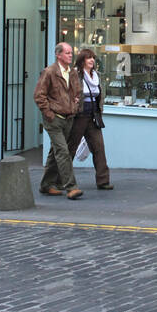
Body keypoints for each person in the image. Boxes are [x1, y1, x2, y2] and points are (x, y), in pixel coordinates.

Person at [34, 42, 84, 199]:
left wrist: (75, 106)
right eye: (67, 53)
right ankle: (71, 187)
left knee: (55, 152)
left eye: (71, 52)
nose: (71, 55)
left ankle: (46, 184)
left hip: (68, 118)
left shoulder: (73, 73)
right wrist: (49, 114)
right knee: (62, 151)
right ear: (58, 55)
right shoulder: (49, 72)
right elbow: (39, 95)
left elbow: (78, 92)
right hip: (54, 119)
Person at [68, 48, 113, 190]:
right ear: (82, 60)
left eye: (93, 58)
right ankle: (61, 180)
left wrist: (100, 111)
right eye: (89, 58)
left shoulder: (96, 75)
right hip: (79, 115)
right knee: (70, 148)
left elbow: (99, 95)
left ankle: (103, 181)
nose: (92, 60)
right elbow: (68, 91)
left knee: (99, 147)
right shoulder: (75, 74)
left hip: (93, 116)